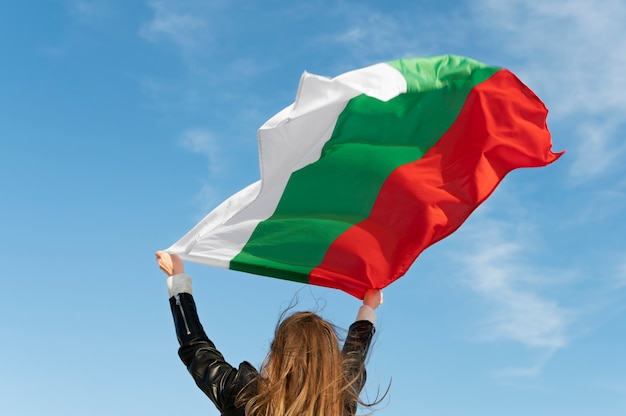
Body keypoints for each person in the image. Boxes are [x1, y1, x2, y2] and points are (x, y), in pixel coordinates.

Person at [156, 251, 383, 416]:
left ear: (279, 351)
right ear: (330, 358)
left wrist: (178, 281)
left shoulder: (245, 398)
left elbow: (196, 348)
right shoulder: (340, 401)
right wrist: (368, 309)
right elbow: (354, 356)